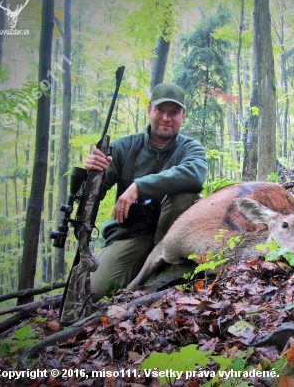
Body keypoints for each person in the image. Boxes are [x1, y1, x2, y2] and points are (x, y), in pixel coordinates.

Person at [84, 82, 207, 300]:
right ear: (150, 109)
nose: (166, 118)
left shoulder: (191, 148)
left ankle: (166, 264)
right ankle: (137, 272)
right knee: (94, 290)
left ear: (183, 116)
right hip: (131, 235)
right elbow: (91, 196)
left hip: (173, 235)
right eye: (160, 110)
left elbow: (195, 175)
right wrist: (92, 174)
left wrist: (140, 186)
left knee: (185, 194)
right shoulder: (123, 148)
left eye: (174, 112)